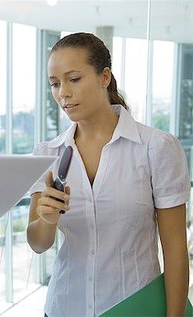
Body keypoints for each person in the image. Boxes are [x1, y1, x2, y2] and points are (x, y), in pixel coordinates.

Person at [27, 32, 190, 317]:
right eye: (54, 84)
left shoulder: (156, 147)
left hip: (134, 304)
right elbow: (38, 244)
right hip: (65, 306)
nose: (63, 93)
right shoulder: (47, 154)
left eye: (74, 79)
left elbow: (175, 249)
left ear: (104, 77)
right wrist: (47, 218)